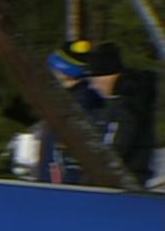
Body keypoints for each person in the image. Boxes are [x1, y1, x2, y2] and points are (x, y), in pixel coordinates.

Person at [86, 42, 156, 186]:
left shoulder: (126, 105)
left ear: (107, 76)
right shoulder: (126, 100)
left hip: (122, 184)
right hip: (123, 181)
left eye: (95, 79)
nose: (93, 85)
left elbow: (115, 148)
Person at [33, 39, 101, 185]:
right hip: (51, 180)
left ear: (65, 69)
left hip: (66, 184)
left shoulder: (81, 103)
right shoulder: (64, 99)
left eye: (54, 68)